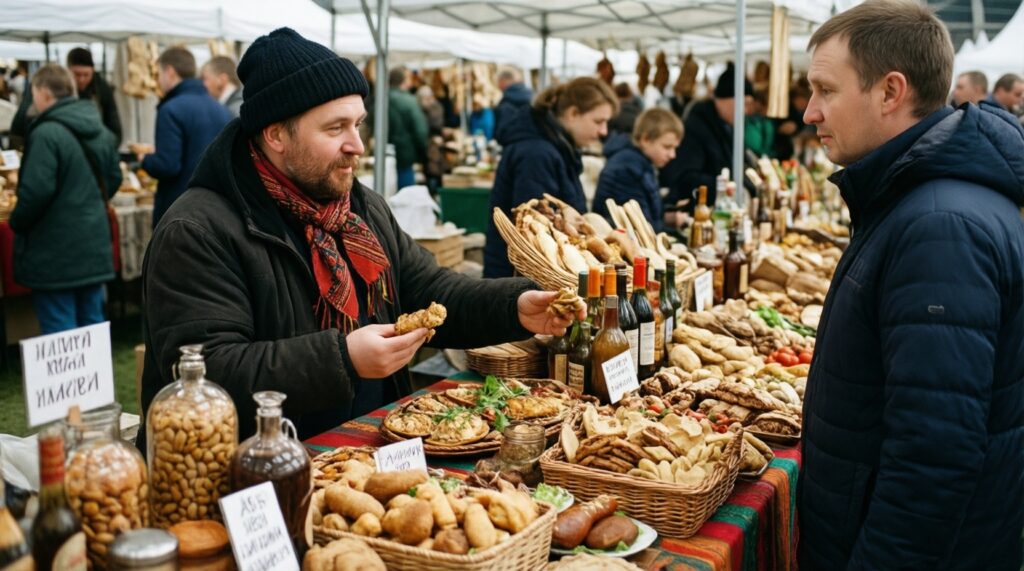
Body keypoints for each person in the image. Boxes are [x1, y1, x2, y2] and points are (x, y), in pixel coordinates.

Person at [138, 27, 578, 444]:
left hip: (366, 454)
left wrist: (514, 306)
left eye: (358, 124)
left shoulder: (358, 207)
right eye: (335, 128)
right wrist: (342, 359)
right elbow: (205, 372)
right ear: (275, 135)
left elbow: (427, 292)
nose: (357, 145)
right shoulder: (197, 230)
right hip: (261, 473)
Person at [798, 1, 1024, 569]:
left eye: (825, 90)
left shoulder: (939, 228)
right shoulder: (918, 200)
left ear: (890, 92)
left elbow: (934, 455)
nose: (809, 112)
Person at [9, 65, 120, 334]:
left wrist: (17, 221)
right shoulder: (100, 131)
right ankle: (97, 379)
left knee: (61, 335)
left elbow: (36, 192)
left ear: (45, 93)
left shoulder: (46, 133)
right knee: (92, 327)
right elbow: (114, 178)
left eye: (33, 93)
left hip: (55, 251)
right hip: (92, 246)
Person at [484, 77, 618, 278]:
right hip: (518, 283)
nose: (603, 131)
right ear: (573, 113)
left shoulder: (558, 147)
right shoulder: (537, 153)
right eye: (598, 122)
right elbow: (535, 225)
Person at [139, 47, 232, 226]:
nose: (158, 81)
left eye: (159, 74)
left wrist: (145, 159)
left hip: (179, 210)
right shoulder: (223, 111)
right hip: (218, 209)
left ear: (170, 72)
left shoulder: (171, 109)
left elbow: (168, 165)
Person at [659, 63, 752, 212]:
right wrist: (725, 186)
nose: (746, 111)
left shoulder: (725, 126)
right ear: (729, 99)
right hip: (693, 212)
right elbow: (685, 177)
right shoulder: (696, 127)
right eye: (745, 104)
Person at [593, 108, 682, 231]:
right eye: (667, 147)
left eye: (674, 148)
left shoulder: (641, 164)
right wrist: (670, 224)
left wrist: (667, 217)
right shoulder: (626, 170)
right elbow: (639, 228)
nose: (672, 155)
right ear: (645, 140)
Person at [11, 49, 123, 145]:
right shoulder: (56, 86)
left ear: (93, 71)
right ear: (68, 70)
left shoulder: (101, 88)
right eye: (77, 74)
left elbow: (113, 124)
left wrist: (109, 147)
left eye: (86, 74)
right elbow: (22, 119)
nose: (82, 79)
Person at [386, 66, 428, 190]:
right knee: (405, 194)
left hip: (383, 154)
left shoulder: (378, 99)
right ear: (404, 81)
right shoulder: (409, 101)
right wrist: (423, 153)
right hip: (405, 156)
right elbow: (420, 131)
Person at [494, 67, 532, 134]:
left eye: (498, 82)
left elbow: (501, 131)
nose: (498, 86)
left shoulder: (505, 103)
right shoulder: (532, 96)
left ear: (503, 81)